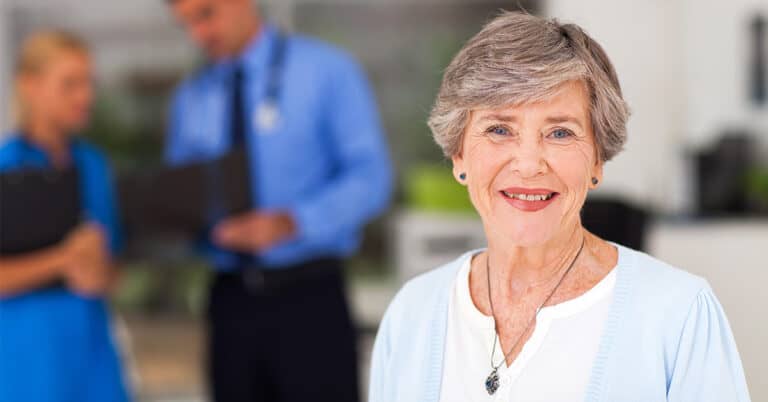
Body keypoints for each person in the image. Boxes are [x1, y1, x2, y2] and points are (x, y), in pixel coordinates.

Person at [368, 12, 751, 402]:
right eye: (499, 129)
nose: (530, 163)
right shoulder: (412, 314)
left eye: (560, 132)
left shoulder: (679, 314)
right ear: (459, 155)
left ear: (597, 159)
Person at [165, 1, 392, 401]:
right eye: (186, 24)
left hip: (309, 297)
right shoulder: (191, 97)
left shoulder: (327, 72)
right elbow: (181, 191)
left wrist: (293, 222)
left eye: (206, 15)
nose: (199, 35)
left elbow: (371, 178)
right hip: (229, 299)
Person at [0, 31, 129, 402]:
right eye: (70, 84)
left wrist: (102, 270)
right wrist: (62, 260)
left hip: (93, 356)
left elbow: (112, 265)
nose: (85, 96)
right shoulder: (4, 167)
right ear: (30, 85)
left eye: (89, 83)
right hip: (26, 362)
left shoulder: (93, 165)